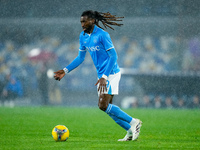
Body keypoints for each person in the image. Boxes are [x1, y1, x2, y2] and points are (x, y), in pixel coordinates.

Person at [54, 10, 142, 141]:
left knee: (102, 105)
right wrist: (65, 70)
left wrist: (105, 77)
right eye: (81, 22)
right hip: (101, 76)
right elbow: (80, 57)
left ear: (93, 21)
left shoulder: (102, 35)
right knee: (107, 108)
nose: (82, 24)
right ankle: (130, 132)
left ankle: (134, 122)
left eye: (85, 21)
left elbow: (114, 56)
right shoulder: (83, 36)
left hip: (110, 73)